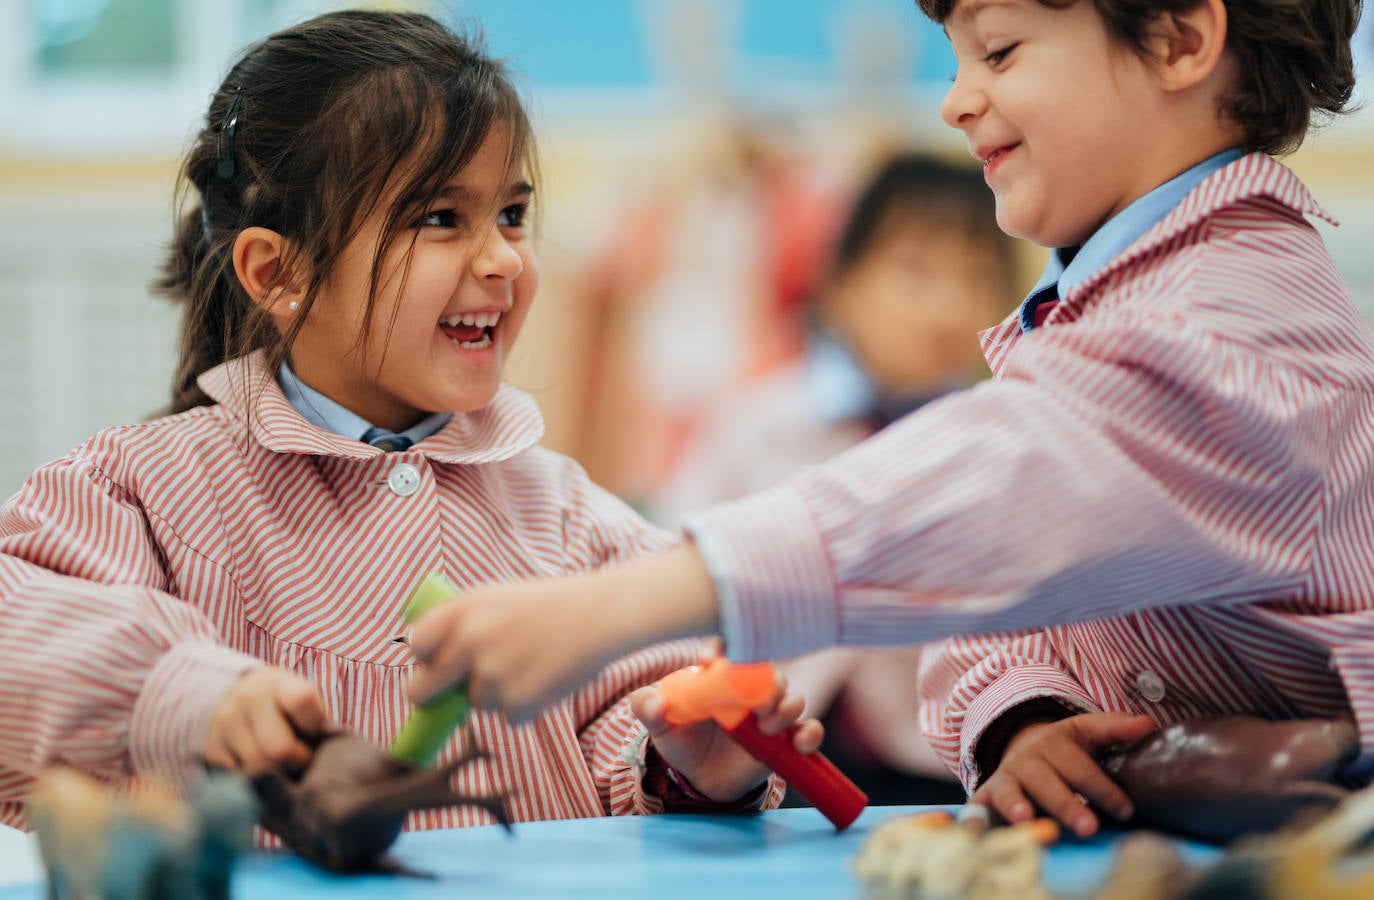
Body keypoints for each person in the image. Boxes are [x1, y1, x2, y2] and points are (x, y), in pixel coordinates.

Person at [407, 0, 1372, 838]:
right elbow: (997, 605)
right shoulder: (1109, 304)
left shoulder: (1225, 317)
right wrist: (1024, 724)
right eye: (959, 61)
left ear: (1176, 38)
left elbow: (973, 507)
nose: (955, 98)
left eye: (999, 52)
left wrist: (611, 611)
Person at [0, 10, 822, 835]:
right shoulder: (139, 489)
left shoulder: (568, 516)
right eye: (440, 218)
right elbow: (21, 636)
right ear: (278, 271)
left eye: (511, 214)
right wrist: (183, 692)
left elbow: (636, 731)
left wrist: (689, 766)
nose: (503, 257)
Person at [651, 152, 1015, 805]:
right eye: (916, 272)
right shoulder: (757, 423)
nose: (947, 307)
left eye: (978, 279)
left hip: (939, 769)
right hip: (761, 759)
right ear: (842, 282)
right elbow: (664, 566)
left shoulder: (1000, 444)